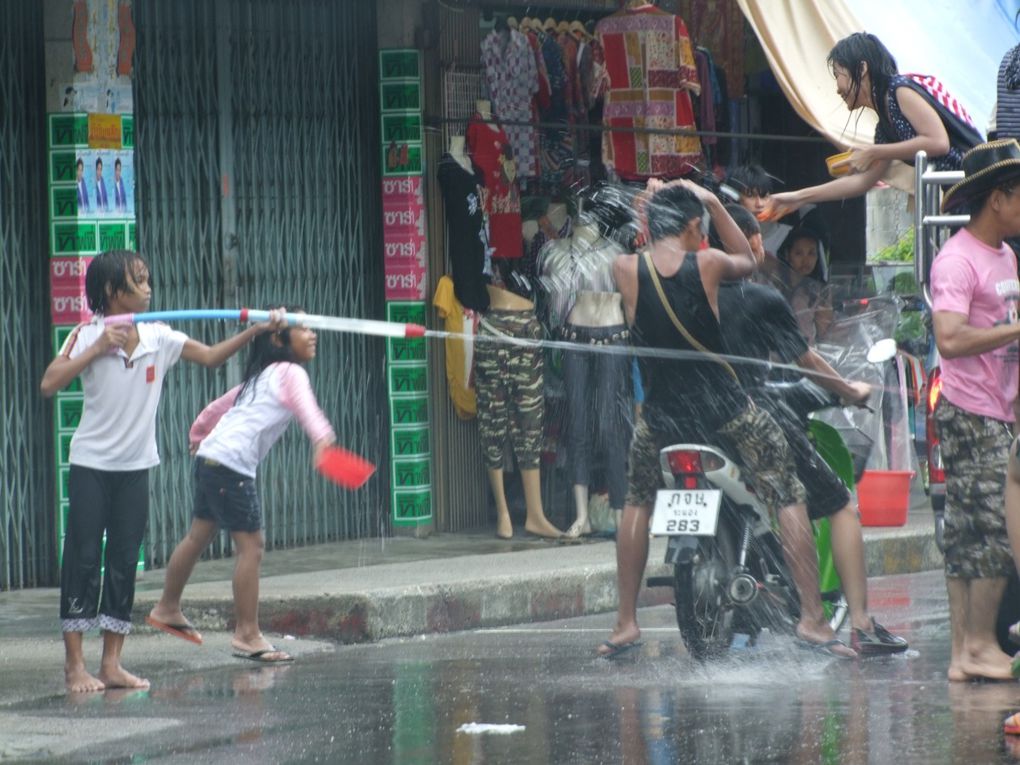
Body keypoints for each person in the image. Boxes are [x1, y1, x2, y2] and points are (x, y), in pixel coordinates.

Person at [598, 180, 847, 659]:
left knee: (636, 499)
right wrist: (713, 200)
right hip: (724, 411)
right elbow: (751, 262)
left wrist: (646, 210)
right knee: (786, 489)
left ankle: (626, 622)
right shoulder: (708, 264)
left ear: (651, 225)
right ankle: (813, 619)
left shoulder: (624, 268)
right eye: (700, 226)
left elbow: (641, 244)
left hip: (661, 417)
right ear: (695, 227)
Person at [39, 249, 283, 693]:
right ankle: (75, 666)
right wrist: (96, 349)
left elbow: (210, 356)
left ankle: (112, 663)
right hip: (91, 465)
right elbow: (49, 383)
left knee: (122, 565)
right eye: (139, 280)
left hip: (137, 467)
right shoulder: (85, 334)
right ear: (114, 291)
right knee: (83, 560)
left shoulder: (159, 337)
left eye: (148, 279)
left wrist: (257, 330)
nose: (149, 287)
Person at [715, 204, 908, 656]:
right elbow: (806, 360)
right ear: (750, 244)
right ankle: (854, 620)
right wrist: (849, 389)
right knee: (836, 502)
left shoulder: (686, 293)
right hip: (755, 415)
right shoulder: (758, 298)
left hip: (693, 419)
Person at [147, 308, 335, 664]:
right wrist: (322, 438)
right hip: (230, 465)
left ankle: (167, 608)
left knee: (198, 536)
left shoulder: (262, 376)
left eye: (313, 327)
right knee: (252, 547)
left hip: (211, 460)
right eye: (303, 328)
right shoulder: (290, 373)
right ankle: (247, 634)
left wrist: (199, 433)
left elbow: (219, 406)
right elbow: (307, 409)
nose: (312, 334)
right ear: (279, 338)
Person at [930, 139, 1020, 681]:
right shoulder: (957, 259)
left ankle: (965, 651)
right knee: (988, 528)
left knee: (964, 529)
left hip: (999, 408)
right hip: (972, 409)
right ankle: (982, 643)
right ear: (998, 200)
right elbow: (949, 337)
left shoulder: (1006, 256)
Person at [762, 32, 982, 221]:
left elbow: (938, 142)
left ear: (862, 69)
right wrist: (797, 197)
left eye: (838, 75)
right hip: (963, 195)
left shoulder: (899, 90)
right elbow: (862, 182)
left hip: (983, 187)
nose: (838, 89)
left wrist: (874, 151)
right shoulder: (884, 128)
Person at [774, 220, 833, 345]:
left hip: (807, 355)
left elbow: (825, 332)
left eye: (811, 253)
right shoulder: (774, 283)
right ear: (787, 254)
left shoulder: (821, 291)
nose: (806, 260)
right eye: (799, 253)